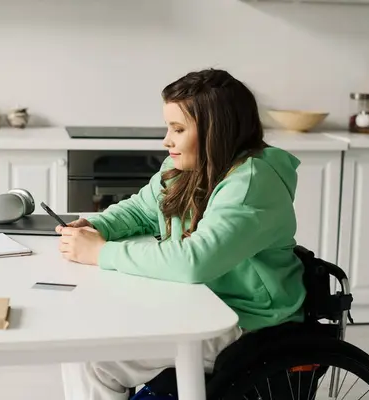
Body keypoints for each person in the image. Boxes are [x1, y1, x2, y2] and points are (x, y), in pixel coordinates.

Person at [56, 68, 307, 400]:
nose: (166, 140)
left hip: (244, 320)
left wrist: (100, 252)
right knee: (88, 339)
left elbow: (194, 262)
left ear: (216, 133)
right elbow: (142, 209)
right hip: (198, 300)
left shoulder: (251, 183)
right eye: (168, 127)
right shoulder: (185, 166)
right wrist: (97, 227)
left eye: (178, 129)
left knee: (95, 359)